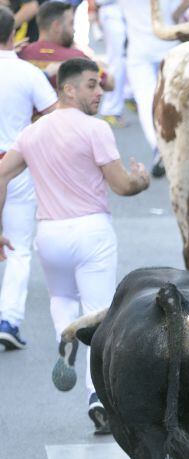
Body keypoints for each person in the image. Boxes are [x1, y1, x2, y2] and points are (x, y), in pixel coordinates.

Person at [0, 58, 150, 432]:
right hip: (91, 231)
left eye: (99, 85)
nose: (100, 92)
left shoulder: (32, 133)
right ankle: (96, 394)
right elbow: (122, 186)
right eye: (90, 85)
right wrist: (142, 180)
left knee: (62, 300)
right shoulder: (94, 129)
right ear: (67, 89)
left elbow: (2, 172)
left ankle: (65, 337)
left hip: (49, 234)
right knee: (99, 312)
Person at [0, 6, 55, 350]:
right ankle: (8, 320)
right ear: (13, 33)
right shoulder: (26, 72)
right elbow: (53, 116)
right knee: (19, 248)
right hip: (14, 160)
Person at [115, 0, 180, 177]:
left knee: (146, 103)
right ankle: (173, 146)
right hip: (169, 43)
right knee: (174, 99)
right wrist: (177, 14)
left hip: (139, 50)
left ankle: (159, 148)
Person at [18, 1, 112, 89]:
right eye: (71, 23)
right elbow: (110, 83)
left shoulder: (21, 54)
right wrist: (95, 62)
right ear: (56, 26)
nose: (74, 30)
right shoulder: (76, 58)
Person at [88, 0, 127, 127]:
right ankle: (111, 109)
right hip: (111, 9)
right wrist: (92, 9)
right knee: (118, 61)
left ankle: (129, 94)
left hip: (122, 10)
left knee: (126, 58)